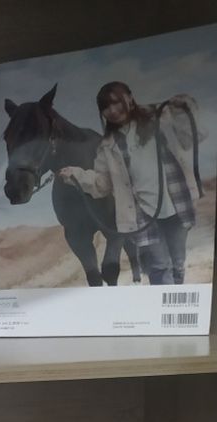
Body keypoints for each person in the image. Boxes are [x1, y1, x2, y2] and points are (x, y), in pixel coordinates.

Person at [58, 82, 205, 285]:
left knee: (177, 262)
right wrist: (77, 175)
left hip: (176, 204)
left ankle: (173, 295)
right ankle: (162, 300)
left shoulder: (160, 117)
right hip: (142, 214)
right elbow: (102, 184)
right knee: (159, 267)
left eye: (116, 102)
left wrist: (184, 108)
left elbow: (192, 137)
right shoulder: (107, 145)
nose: (112, 110)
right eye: (106, 107)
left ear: (129, 97)